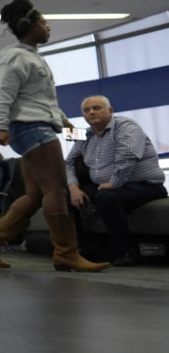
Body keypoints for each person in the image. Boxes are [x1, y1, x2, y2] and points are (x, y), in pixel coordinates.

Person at [0, 0, 108, 272]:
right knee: (56, 189)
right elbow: (3, 95)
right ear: (29, 26)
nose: (48, 27)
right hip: (31, 127)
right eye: (44, 23)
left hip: (38, 124)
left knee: (36, 194)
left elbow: (41, 99)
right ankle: (66, 252)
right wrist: (0, 126)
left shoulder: (33, 56)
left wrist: (64, 121)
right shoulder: (16, 57)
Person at [65, 95, 167, 266]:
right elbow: (69, 162)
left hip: (145, 185)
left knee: (106, 197)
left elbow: (127, 156)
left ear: (110, 111)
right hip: (105, 187)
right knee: (65, 196)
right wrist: (74, 188)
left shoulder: (126, 126)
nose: (91, 112)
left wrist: (113, 183)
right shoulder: (83, 134)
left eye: (96, 108)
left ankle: (124, 251)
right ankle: (87, 249)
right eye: (87, 110)